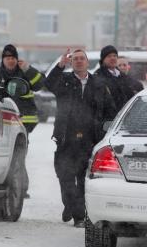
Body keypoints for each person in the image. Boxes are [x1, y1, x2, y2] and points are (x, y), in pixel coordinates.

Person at [45, 48, 114, 228]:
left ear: (87, 62)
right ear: (71, 62)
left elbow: (109, 110)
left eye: (81, 59)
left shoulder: (98, 84)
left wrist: (105, 129)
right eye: (75, 59)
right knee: (65, 176)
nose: (78, 61)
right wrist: (60, 66)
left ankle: (79, 215)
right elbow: (49, 83)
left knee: (83, 179)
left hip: (90, 140)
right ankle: (70, 204)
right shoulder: (64, 81)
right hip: (66, 138)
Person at [0, 44, 45, 133]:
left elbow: (39, 85)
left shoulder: (25, 72)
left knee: (19, 146)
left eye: (13, 58)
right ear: (3, 60)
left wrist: (28, 69)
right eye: (7, 59)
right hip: (0, 121)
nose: (10, 61)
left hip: (23, 122)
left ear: (17, 59)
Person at [93, 45, 136, 120]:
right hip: (108, 121)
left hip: (126, 119)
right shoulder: (98, 76)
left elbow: (131, 97)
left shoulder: (123, 76)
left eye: (115, 55)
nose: (113, 58)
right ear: (103, 59)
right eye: (109, 56)